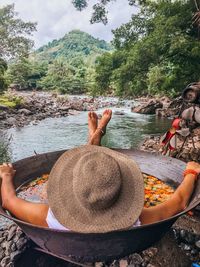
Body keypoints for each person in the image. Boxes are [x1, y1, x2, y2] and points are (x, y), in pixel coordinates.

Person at [0, 109, 199, 233]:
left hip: (66, 203)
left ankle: (94, 138)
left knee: (48, 191)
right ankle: (96, 136)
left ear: (70, 188)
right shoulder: (137, 220)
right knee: (93, 169)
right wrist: (191, 172)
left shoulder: (49, 217)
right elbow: (179, 201)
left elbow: (9, 201)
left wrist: (7, 175)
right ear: (124, 189)